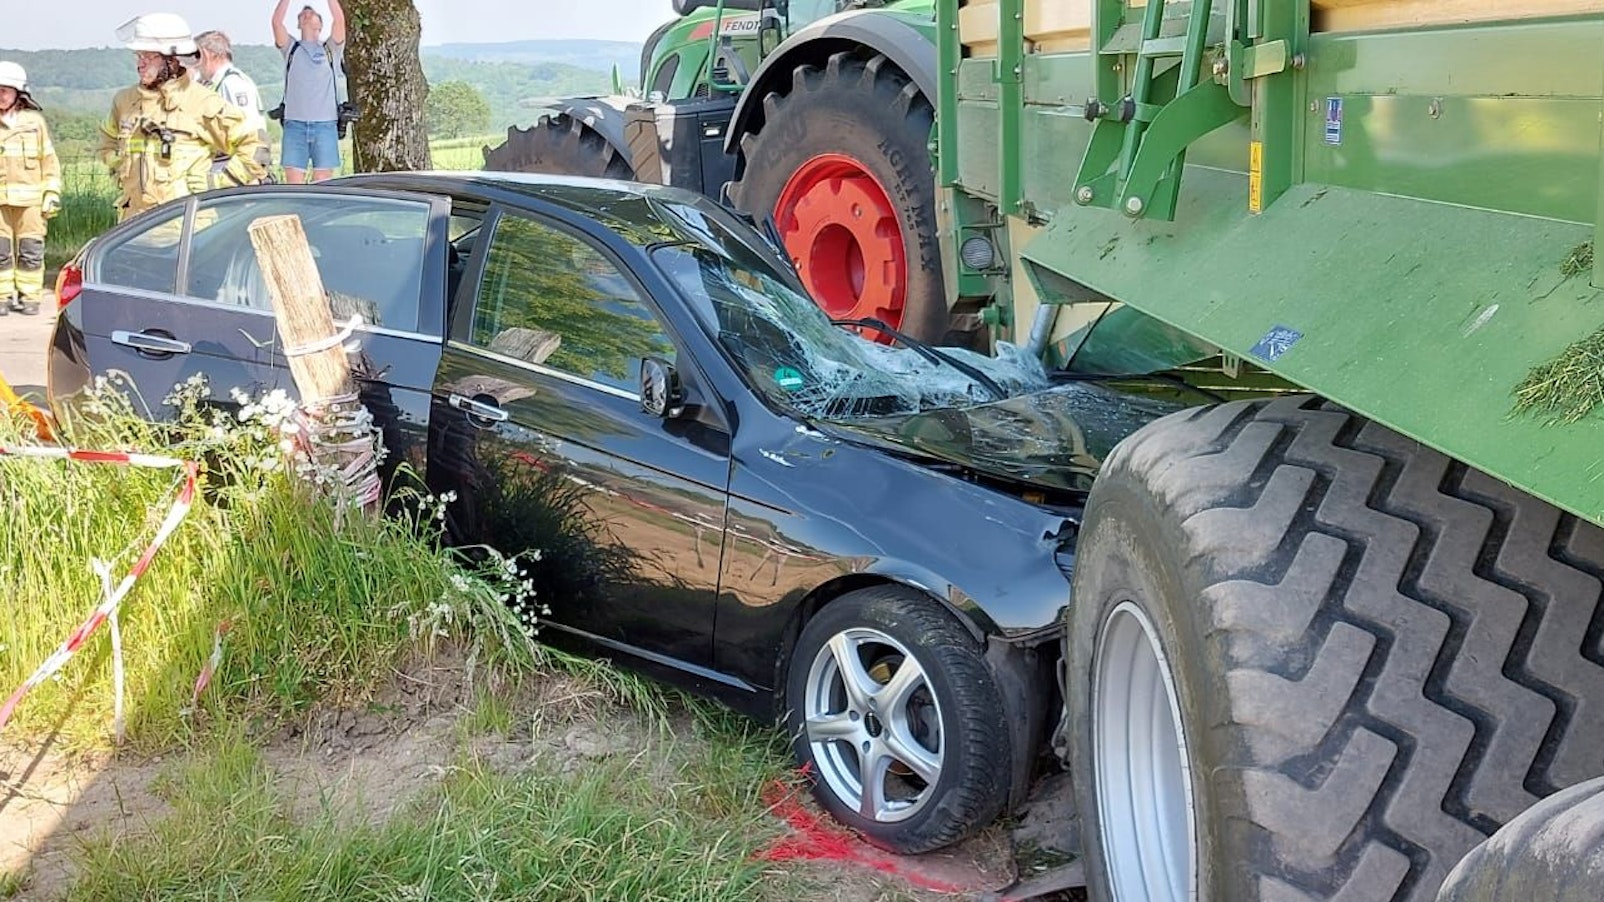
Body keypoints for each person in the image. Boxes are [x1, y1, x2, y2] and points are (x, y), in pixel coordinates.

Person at [97, 13, 268, 221]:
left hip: (187, 232)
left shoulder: (202, 102)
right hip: (133, 228)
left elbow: (257, 146)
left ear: (173, 60)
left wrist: (218, 183)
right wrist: (120, 166)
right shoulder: (124, 102)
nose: (140, 64)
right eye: (138, 56)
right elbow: (106, 142)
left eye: (149, 57)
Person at [0, 61, 60, 316]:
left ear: (18, 93)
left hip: (31, 201)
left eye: (6, 89)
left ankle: (30, 297)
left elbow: (49, 162)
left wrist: (52, 193)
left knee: (30, 251)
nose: (1, 94)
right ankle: (2, 297)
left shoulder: (34, 123)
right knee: (0, 252)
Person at [271, 0, 347, 184]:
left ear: (321, 25)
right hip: (294, 124)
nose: (307, 13)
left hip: (325, 125)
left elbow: (339, 20)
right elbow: (276, 22)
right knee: (293, 182)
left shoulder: (330, 48)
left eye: (312, 12)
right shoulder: (291, 48)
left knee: (323, 181)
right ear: (298, 24)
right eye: (303, 13)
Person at [194, 29, 273, 173]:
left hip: (233, 168)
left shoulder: (232, 84)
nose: (196, 64)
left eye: (197, 56)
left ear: (206, 54)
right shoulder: (216, 84)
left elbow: (250, 131)